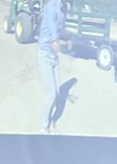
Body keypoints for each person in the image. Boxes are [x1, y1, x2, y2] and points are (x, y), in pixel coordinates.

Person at [37, 0, 70, 135]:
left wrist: (67, 39)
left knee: (57, 92)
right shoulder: (51, 6)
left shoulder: (63, 7)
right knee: (51, 94)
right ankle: (44, 127)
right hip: (45, 54)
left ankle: (52, 124)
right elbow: (52, 27)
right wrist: (57, 42)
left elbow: (59, 29)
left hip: (54, 56)